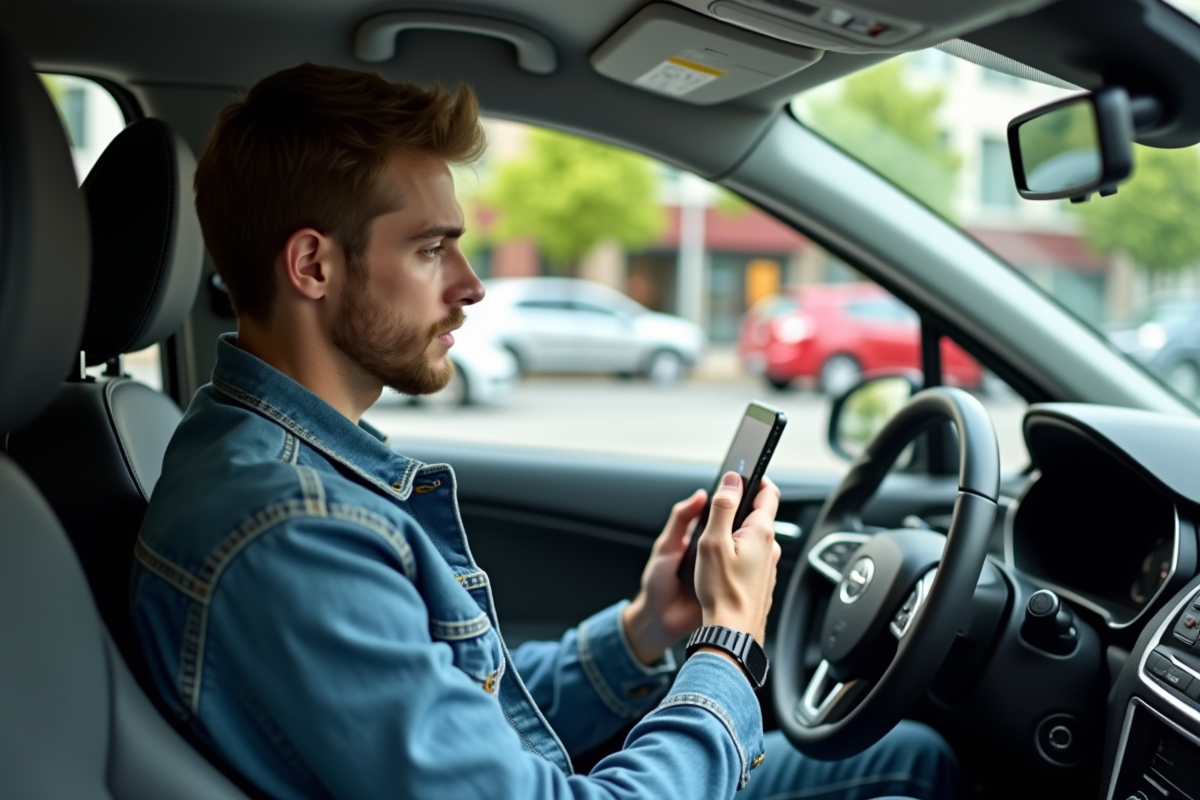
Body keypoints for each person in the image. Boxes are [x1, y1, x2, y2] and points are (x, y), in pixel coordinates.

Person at [131, 63, 958, 800]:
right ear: (313, 265)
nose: (472, 285)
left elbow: (458, 706)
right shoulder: (292, 531)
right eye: (431, 250)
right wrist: (729, 641)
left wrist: (646, 629)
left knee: (910, 756)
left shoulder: (264, 462)